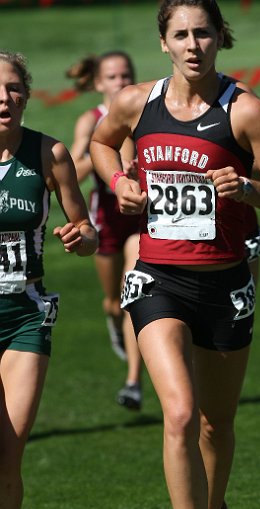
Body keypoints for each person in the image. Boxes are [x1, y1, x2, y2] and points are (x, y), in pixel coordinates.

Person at [90, 0, 260, 509]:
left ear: (219, 38)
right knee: (179, 414)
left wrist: (250, 189)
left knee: (216, 422)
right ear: (164, 43)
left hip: (226, 284)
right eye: (180, 34)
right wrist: (120, 183)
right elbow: (106, 145)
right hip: (158, 278)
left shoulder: (246, 110)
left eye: (203, 32)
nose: (193, 45)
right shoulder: (137, 103)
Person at [0, 50, 98, 509]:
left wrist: (79, 239)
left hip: (24, 316)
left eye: (14, 88)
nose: (4, 98)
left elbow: (86, 231)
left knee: (8, 451)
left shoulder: (49, 152)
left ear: (27, 94)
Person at [66, 51, 144, 410]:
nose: (120, 82)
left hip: (142, 217)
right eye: (112, 77)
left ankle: (133, 382)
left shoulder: (147, 112)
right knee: (114, 302)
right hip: (106, 222)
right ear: (98, 83)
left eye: (125, 75)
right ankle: (113, 322)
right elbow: (75, 171)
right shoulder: (91, 120)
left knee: (133, 297)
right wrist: (102, 157)